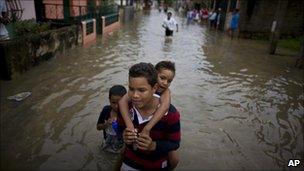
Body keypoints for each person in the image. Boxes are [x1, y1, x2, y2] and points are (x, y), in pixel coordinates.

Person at [119, 62, 181, 170]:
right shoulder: (127, 107)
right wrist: (124, 134)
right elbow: (120, 128)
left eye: (142, 90)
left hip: (156, 164)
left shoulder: (171, 114)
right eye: (131, 89)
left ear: (154, 88)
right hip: (131, 160)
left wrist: (154, 146)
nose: (135, 95)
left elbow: (175, 143)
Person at [96, 85, 127, 153]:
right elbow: (98, 127)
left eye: (120, 103)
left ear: (126, 100)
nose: (116, 106)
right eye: (113, 102)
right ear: (109, 100)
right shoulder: (106, 110)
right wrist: (106, 124)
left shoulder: (128, 113)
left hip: (122, 144)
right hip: (107, 141)